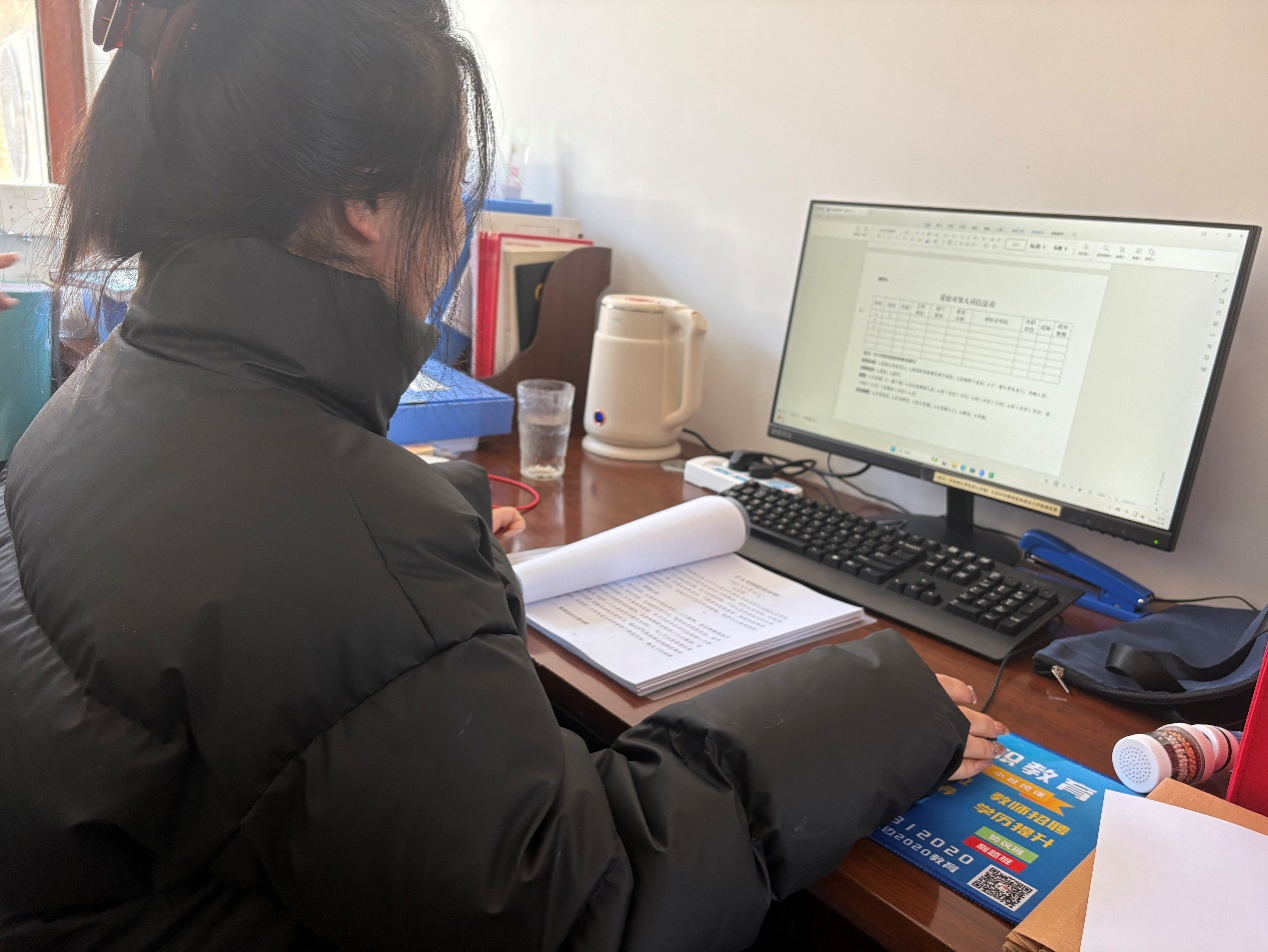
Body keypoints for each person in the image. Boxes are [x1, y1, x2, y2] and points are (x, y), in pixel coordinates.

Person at [0, 1, 1005, 949]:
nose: (453, 222)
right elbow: (582, 909)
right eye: (451, 180)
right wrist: (879, 710)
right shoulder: (340, 543)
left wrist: (428, 524)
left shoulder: (119, 386)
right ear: (364, 199)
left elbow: (271, 590)